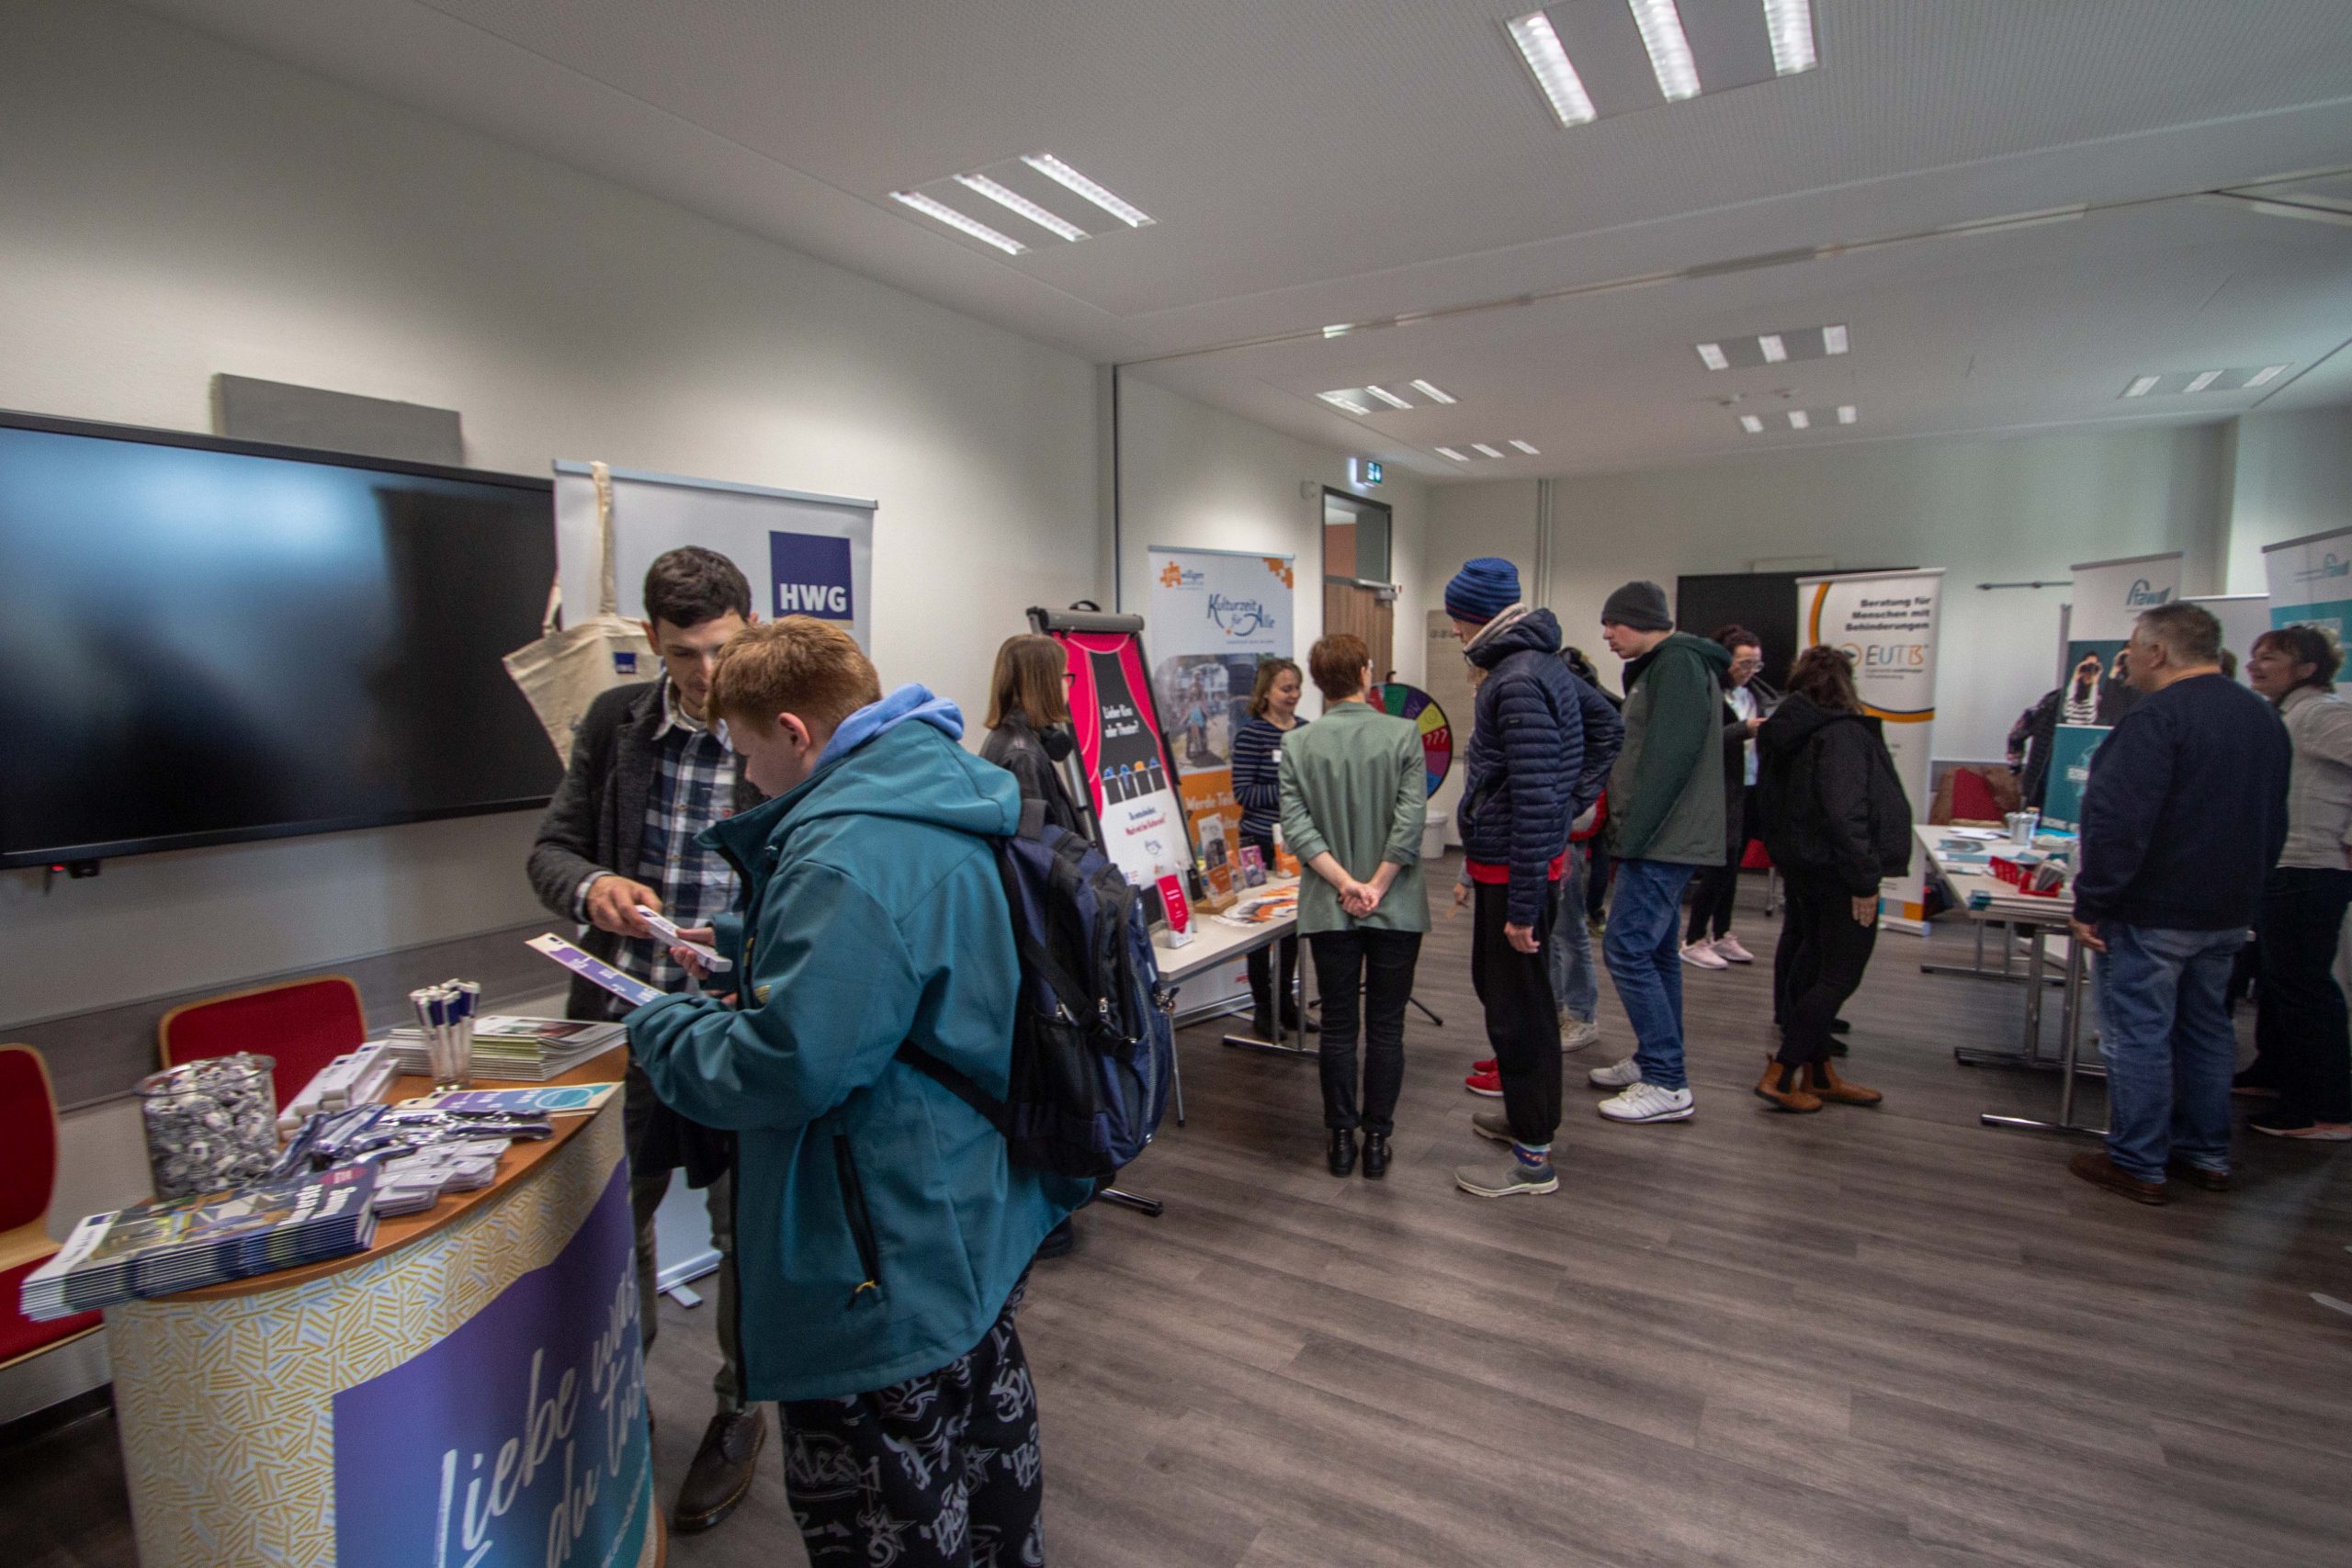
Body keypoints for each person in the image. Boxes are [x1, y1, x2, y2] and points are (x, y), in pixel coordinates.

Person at [628, 616, 1088, 1566]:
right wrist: (752, 951)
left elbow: (787, 1069)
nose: (746, 778)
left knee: (888, 1510)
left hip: (876, 1248)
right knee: (984, 1467)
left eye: (749, 752)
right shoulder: (938, 789)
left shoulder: (843, 856)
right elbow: (899, 975)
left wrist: (661, 1026)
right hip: (961, 1206)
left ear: (796, 733)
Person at [524, 546, 766, 1535]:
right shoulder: (615, 726)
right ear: (652, 644)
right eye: (682, 655)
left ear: (748, 628)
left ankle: (739, 1412)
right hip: (627, 1030)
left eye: (718, 650)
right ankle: (617, 1406)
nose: (703, 676)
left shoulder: (788, 728)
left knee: (744, 1240)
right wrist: (593, 890)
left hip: (743, 1037)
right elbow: (549, 849)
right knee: (610, 1236)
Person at [2067, 604, 2290, 1204]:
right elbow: (2275, 820)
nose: (2127, 660)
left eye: (2132, 647)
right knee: (2206, 1029)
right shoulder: (2261, 717)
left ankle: (2138, 1161)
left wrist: (2093, 900)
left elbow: (2118, 820)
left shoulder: (2155, 717)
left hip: (2154, 908)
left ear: (2158, 651)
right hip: (2226, 910)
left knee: (2138, 1032)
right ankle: (2204, 1152)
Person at [1442, 558, 1582, 1199]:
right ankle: (1529, 1123)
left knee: (1518, 1014)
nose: (1453, 632)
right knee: (1512, 1002)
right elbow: (1605, 727)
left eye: (1453, 621)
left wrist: (1523, 907)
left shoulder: (1516, 677)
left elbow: (1530, 797)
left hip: (1518, 873)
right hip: (1514, 862)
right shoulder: (1540, 661)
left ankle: (1533, 1159)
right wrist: (1567, 799)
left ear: (1471, 616)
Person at [1278, 633, 1429, 1178]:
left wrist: (1346, 886)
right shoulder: (1404, 734)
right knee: (1386, 1027)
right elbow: (1410, 822)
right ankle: (1376, 1143)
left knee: (1339, 1026)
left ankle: (1340, 1139)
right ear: (1366, 673)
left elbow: (1297, 828)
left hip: (1329, 906)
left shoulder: (1298, 744)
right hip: (1398, 906)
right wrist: (1379, 886)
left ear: (1317, 683)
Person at [1586, 581, 1731, 1124]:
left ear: (1643, 620)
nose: (1606, 634)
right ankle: (1656, 1059)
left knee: (1625, 949)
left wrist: (1631, 836)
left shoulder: (1676, 667)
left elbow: (1666, 763)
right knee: (1655, 951)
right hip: (1663, 838)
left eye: (1614, 623)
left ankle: (1668, 1080)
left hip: (1662, 839)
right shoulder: (1667, 668)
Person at [1754, 647, 1912, 1111]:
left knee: (1812, 966)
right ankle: (1782, 1074)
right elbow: (1847, 814)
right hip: (1841, 873)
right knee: (1838, 975)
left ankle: (1819, 1073)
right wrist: (1865, 880)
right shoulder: (1840, 735)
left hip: (1806, 869)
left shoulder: (1790, 733)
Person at [1462, 651, 1621, 1093]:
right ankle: (1521, 1088)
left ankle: (1530, 1122)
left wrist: (1566, 804)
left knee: (1534, 979)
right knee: (1524, 987)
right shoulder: (1534, 679)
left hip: (1531, 861)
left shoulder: (1524, 682)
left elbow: (1531, 797)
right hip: (1528, 856)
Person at [2244, 626, 2352, 1140]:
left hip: (2312, 868)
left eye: (2270, 658)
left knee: (2304, 988)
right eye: (2254, 657)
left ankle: (2326, 1108)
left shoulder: (2318, 714)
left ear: (2307, 668)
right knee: (2277, 981)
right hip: (2284, 865)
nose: (2255, 666)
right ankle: (2274, 1074)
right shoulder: (2284, 714)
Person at [1231, 658, 1315, 1039]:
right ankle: (1263, 1008)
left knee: (1292, 929)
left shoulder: (1308, 731)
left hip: (1298, 844)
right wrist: (1291, 790)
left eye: (1297, 687)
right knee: (1262, 931)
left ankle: (1287, 1003)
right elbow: (1244, 792)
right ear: (1265, 693)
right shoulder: (1251, 735)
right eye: (1286, 689)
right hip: (1260, 843)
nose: (1294, 695)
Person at [1683, 626, 1766, 970]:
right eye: (1744, 663)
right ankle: (1692, 939)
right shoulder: (1707, 692)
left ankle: (1722, 933)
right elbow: (1700, 740)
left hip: (1747, 787)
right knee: (1718, 866)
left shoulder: (1753, 694)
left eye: (1756, 665)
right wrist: (1743, 730)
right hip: (1718, 789)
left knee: (1734, 867)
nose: (1749, 671)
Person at [980, 633, 1084, 836]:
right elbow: (1038, 850)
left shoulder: (1009, 736)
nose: (1067, 684)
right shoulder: (1023, 754)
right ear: (1045, 684)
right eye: (1064, 675)